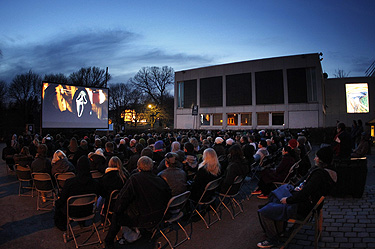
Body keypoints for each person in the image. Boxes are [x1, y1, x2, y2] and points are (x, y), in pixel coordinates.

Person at [256, 146, 337, 248]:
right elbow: (304, 186)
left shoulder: (319, 175)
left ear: (322, 160)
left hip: (300, 207)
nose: (314, 158)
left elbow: (305, 194)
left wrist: (288, 200)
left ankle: (272, 239)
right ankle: (279, 230)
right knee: (277, 196)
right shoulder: (325, 172)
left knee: (264, 212)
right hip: (304, 203)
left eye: (316, 157)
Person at [104, 156, 171, 247]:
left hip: (143, 218)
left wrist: (117, 210)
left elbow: (123, 199)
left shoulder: (134, 179)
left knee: (117, 214)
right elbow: (168, 197)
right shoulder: (160, 180)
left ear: (138, 167)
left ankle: (109, 241)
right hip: (159, 215)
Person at [54, 155, 101, 231]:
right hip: (88, 210)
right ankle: (82, 222)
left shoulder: (70, 182)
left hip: (72, 211)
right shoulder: (95, 183)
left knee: (59, 203)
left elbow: (62, 199)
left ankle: (61, 224)